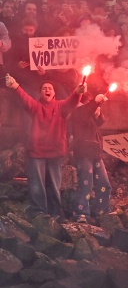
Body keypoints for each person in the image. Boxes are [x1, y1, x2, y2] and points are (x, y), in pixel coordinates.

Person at [5, 75, 83, 219]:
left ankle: (56, 213)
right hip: (36, 152)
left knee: (54, 184)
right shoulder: (35, 106)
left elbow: (72, 101)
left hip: (55, 152)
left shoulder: (61, 106)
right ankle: (39, 212)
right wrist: (15, 86)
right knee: (37, 184)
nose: (47, 90)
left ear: (54, 93)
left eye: (50, 88)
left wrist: (78, 92)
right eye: (44, 88)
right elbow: (24, 98)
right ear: (40, 92)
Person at [69, 91, 111, 223]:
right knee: (85, 183)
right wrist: (95, 103)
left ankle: (102, 211)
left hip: (95, 154)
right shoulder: (77, 112)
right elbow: (83, 113)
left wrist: (98, 113)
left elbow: (100, 121)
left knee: (104, 183)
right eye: (88, 103)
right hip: (83, 153)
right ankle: (81, 214)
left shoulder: (91, 115)